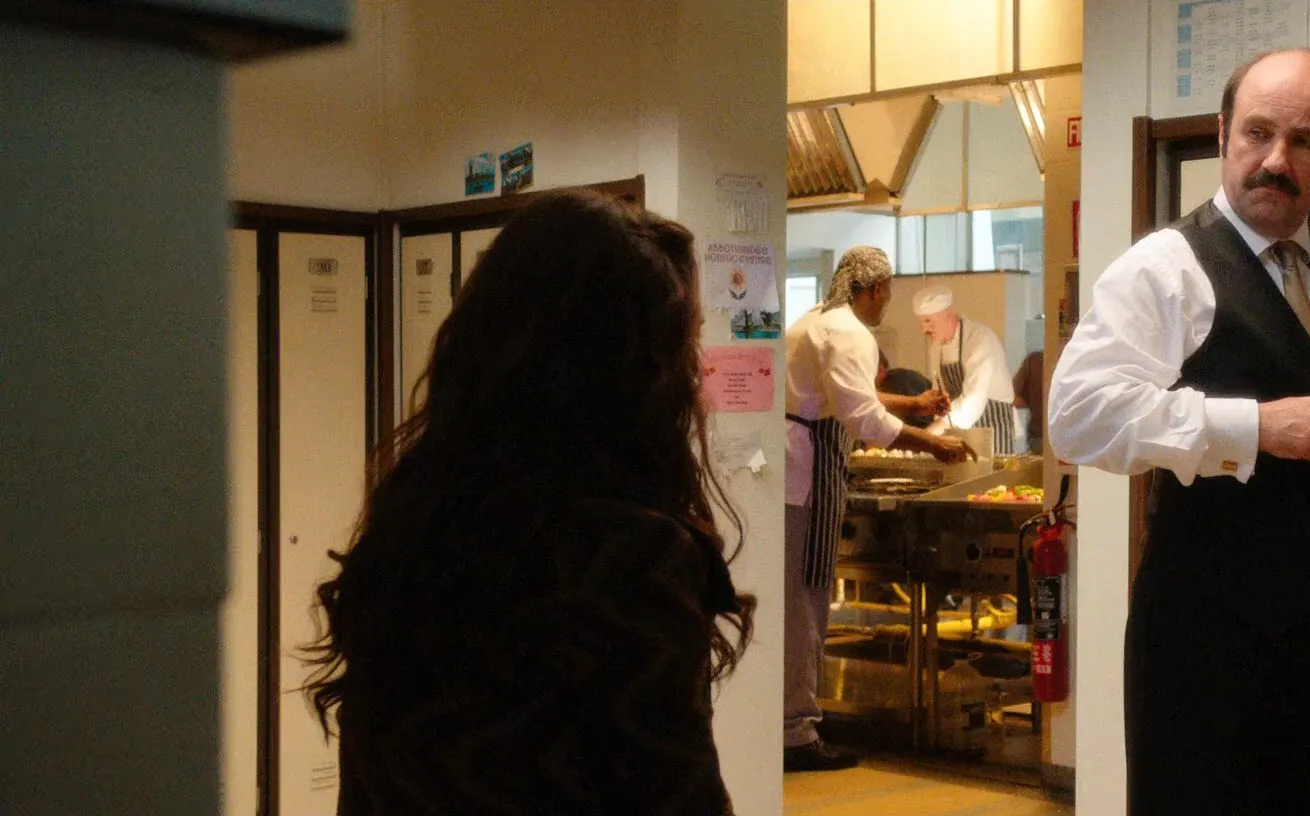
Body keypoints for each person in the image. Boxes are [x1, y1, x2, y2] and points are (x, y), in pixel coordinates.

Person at [1048, 49, 1310, 815]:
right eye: (1258, 133)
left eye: (1304, 141)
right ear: (1223, 133)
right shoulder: (1164, 270)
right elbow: (1078, 415)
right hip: (1202, 641)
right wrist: (1251, 427)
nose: (1275, 161)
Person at [304, 190, 755, 815]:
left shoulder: (414, 524)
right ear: (633, 370)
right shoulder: (628, 556)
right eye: (687, 341)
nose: (698, 372)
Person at [783, 247, 971, 771]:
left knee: (795, 599)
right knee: (805, 601)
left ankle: (790, 721)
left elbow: (847, 396)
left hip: (793, 470)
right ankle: (796, 732)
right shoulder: (849, 333)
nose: (888, 300)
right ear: (874, 289)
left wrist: (913, 405)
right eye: (887, 290)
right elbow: (862, 417)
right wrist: (933, 443)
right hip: (808, 474)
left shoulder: (815, 321)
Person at [912, 285, 1022, 456]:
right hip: (958, 431)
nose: (924, 329)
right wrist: (934, 435)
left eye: (928, 321)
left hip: (994, 429)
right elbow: (939, 396)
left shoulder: (980, 339)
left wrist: (935, 431)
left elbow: (974, 399)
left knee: (993, 474)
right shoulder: (936, 349)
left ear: (948, 314)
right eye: (921, 323)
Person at [1011, 350, 1045, 453]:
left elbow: (1015, 399)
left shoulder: (1036, 360)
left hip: (1040, 439)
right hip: (1076, 438)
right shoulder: (1080, 360)